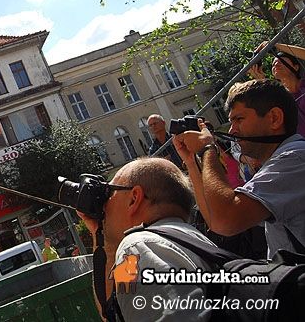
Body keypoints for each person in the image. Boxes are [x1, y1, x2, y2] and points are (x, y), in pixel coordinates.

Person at [173, 79, 305, 258]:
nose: (232, 131)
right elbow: (214, 221)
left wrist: (207, 148)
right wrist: (191, 161)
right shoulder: (285, 160)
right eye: (231, 121)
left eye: (239, 119)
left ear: (274, 118)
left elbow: (225, 220)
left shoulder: (295, 158)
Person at [77, 157, 217, 321]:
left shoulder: (139, 247)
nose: (104, 206)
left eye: (109, 193)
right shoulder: (192, 239)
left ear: (134, 198)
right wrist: (101, 235)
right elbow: (113, 313)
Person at [249, 42, 305, 136]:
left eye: (281, 61)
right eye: (273, 64)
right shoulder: (280, 96)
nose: (276, 64)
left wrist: (274, 45)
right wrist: (261, 80)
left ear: (296, 67)